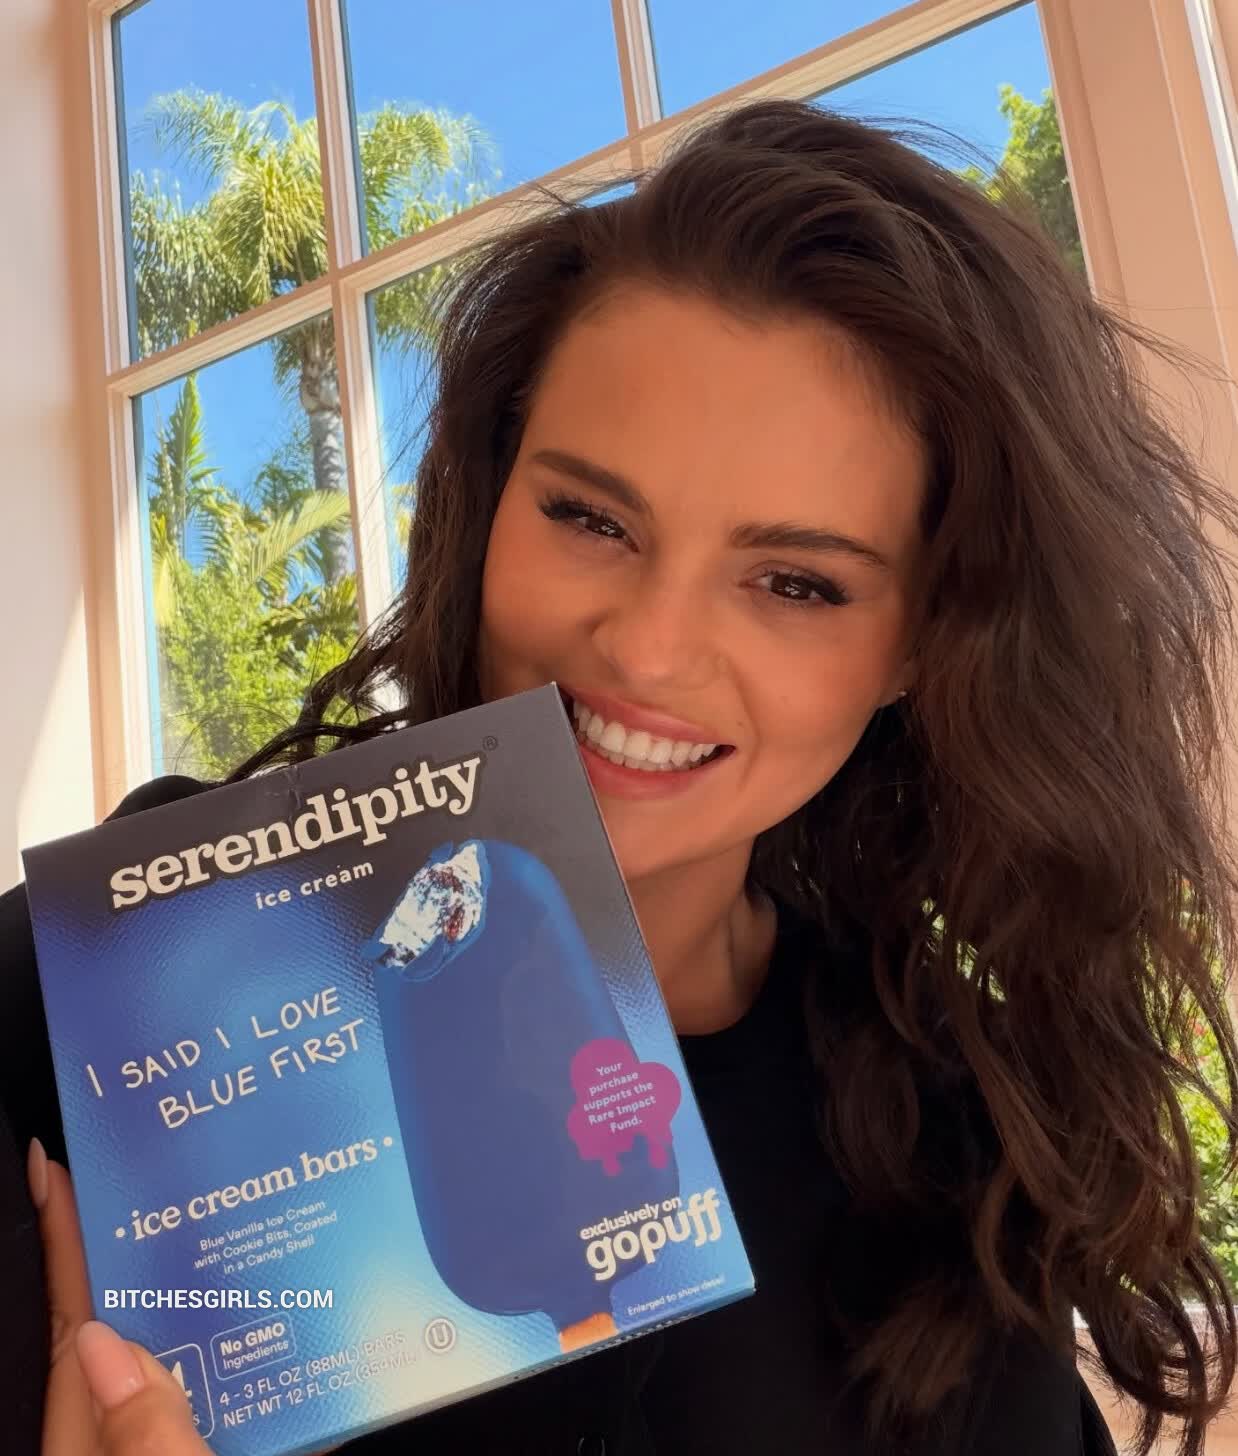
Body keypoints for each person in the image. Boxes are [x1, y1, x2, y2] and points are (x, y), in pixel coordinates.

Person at [5, 97, 1237, 1456]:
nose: (646, 649)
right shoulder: (117, 975)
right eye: (590, 516)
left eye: (795, 582)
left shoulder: (958, 1135)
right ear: (488, 499)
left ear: (922, 646)